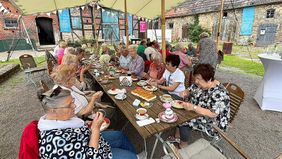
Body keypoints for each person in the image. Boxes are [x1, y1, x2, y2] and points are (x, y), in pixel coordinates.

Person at [37, 87, 137, 159]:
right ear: (53, 111)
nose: (74, 106)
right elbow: (92, 156)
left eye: (73, 101)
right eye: (69, 105)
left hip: (91, 140)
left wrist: (92, 127)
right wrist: (96, 129)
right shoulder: (56, 142)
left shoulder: (59, 119)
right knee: (130, 157)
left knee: (119, 135)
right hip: (96, 152)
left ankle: (136, 156)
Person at [168, 64, 230, 148]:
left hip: (211, 121)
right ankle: (177, 137)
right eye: (195, 78)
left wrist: (193, 107)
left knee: (184, 120)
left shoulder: (220, 93)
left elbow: (213, 113)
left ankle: (183, 145)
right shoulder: (200, 84)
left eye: (198, 79)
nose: (196, 81)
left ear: (209, 79)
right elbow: (189, 90)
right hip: (196, 110)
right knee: (179, 111)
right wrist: (185, 92)